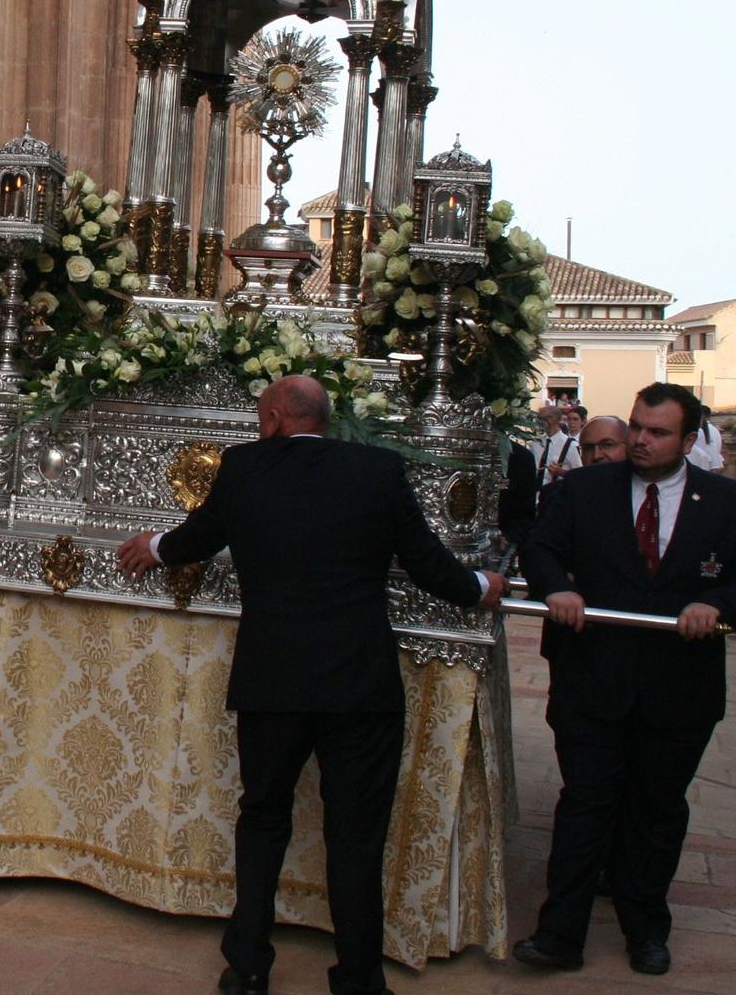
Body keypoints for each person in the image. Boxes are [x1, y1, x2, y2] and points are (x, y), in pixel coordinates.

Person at [115, 376, 509, 995]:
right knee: (355, 833)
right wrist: (480, 588)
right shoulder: (379, 469)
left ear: (273, 417)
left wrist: (152, 547)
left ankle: (247, 964)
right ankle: (358, 976)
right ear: (324, 419)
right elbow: (428, 562)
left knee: (264, 817)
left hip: (273, 679)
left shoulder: (245, 469)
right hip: (359, 682)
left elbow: (198, 537)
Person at [512, 383, 736, 978]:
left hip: (679, 687)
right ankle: (560, 933)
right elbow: (540, 549)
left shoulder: (730, 504)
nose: (640, 440)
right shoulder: (580, 490)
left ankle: (647, 930)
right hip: (593, 679)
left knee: (655, 810)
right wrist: (556, 585)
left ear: (689, 439)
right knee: (585, 803)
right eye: (637, 427)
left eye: (657, 432)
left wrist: (720, 603)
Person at [533, 406, 582, 487]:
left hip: (557, 494)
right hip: (536, 495)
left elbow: (579, 476)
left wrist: (561, 472)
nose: (537, 422)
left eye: (540, 418)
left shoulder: (571, 446)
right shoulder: (536, 443)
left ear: (550, 420)